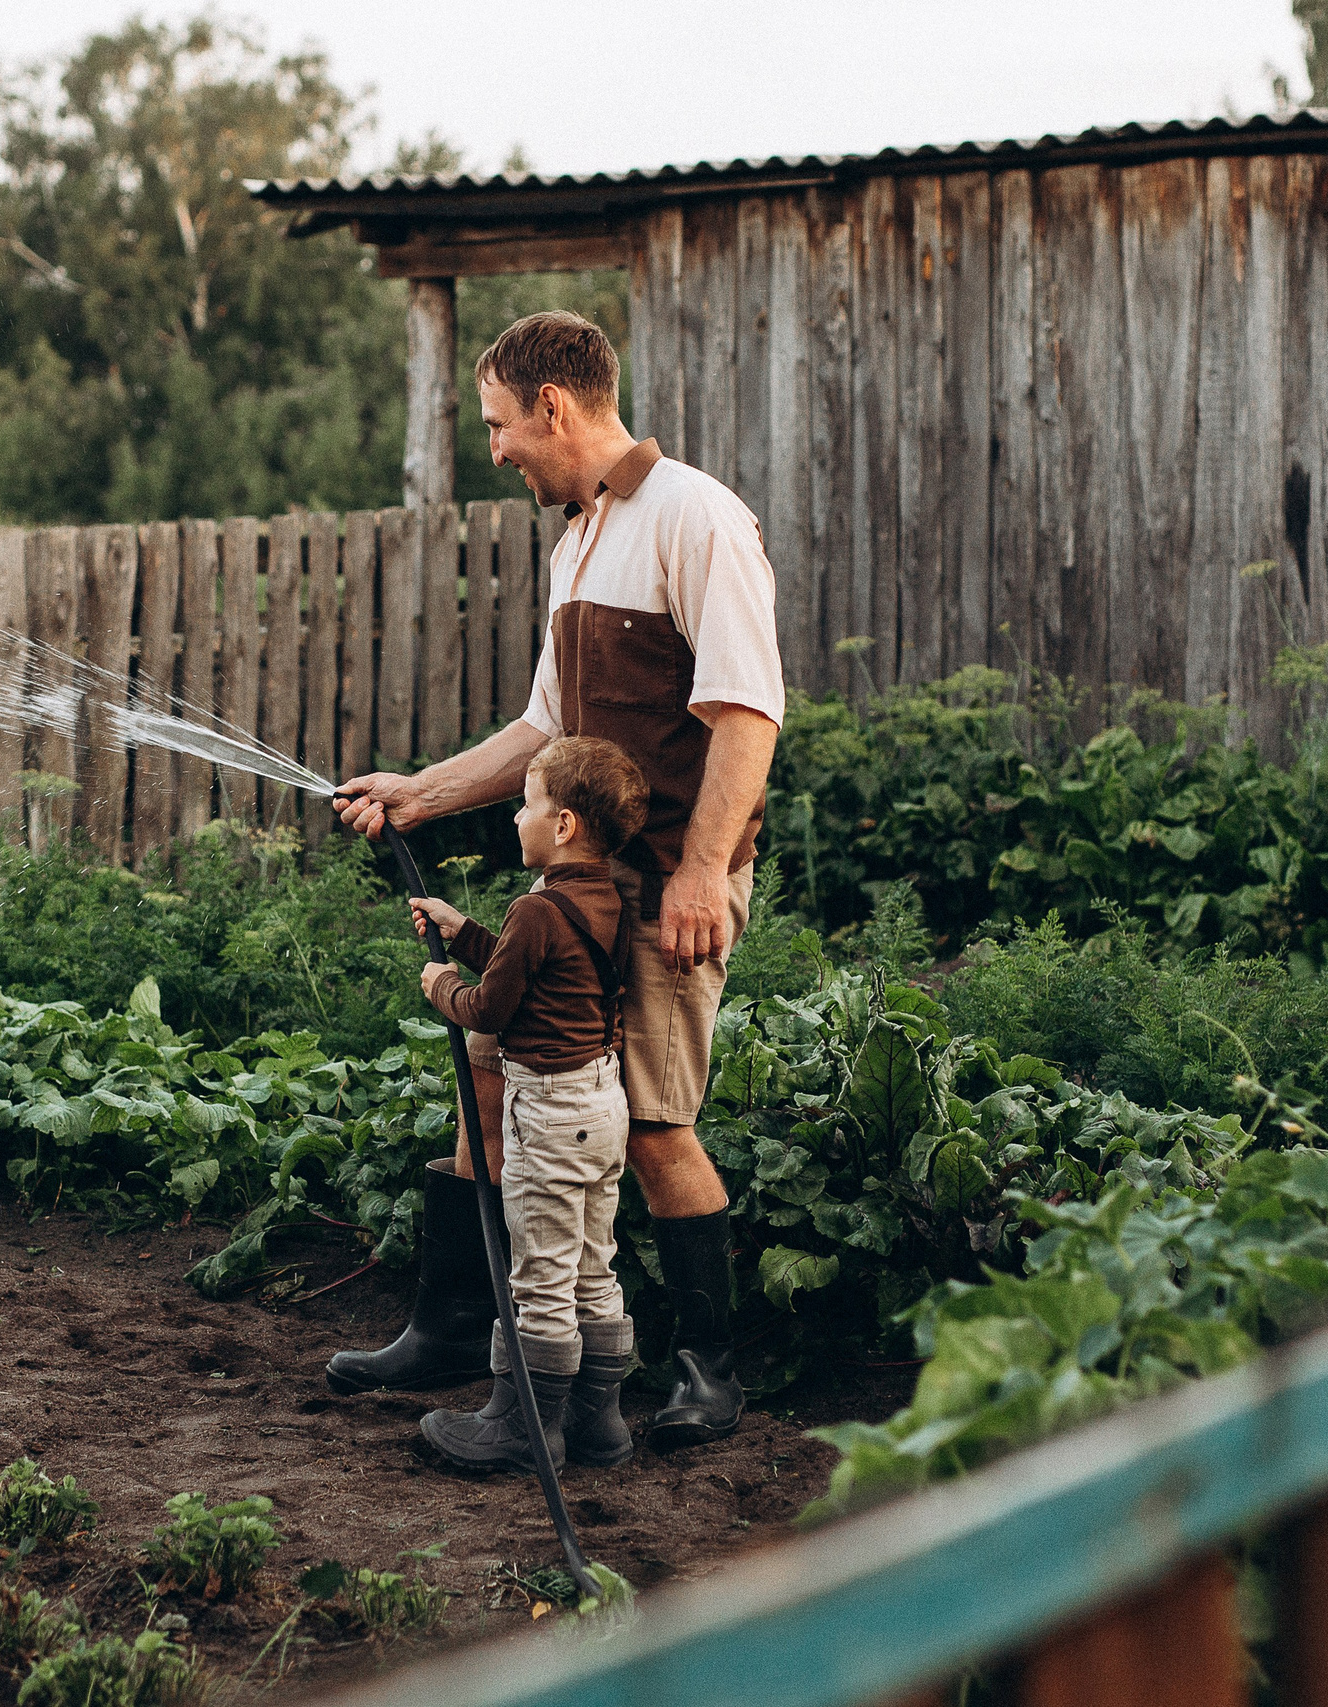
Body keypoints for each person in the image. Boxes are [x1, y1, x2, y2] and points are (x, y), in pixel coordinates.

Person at [330, 310, 784, 1451]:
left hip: (666, 889)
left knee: (654, 1123)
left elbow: (747, 716)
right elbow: (543, 729)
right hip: (578, 888)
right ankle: (450, 1324)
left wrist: (700, 873)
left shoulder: (695, 518)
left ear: (553, 406)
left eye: (498, 425)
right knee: (488, 1080)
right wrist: (422, 792)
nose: (495, 451)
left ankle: (709, 1372)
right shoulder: (578, 541)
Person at [406, 737, 645, 1472]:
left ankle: (522, 1429)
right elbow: (543, 971)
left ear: (564, 824)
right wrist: (465, 933)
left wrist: (440, 985)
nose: (517, 818)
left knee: (539, 1276)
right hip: (602, 1105)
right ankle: (598, 1423)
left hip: (547, 1115)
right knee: (592, 1268)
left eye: (527, 804)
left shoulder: (536, 909)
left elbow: (490, 1007)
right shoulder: (608, 899)